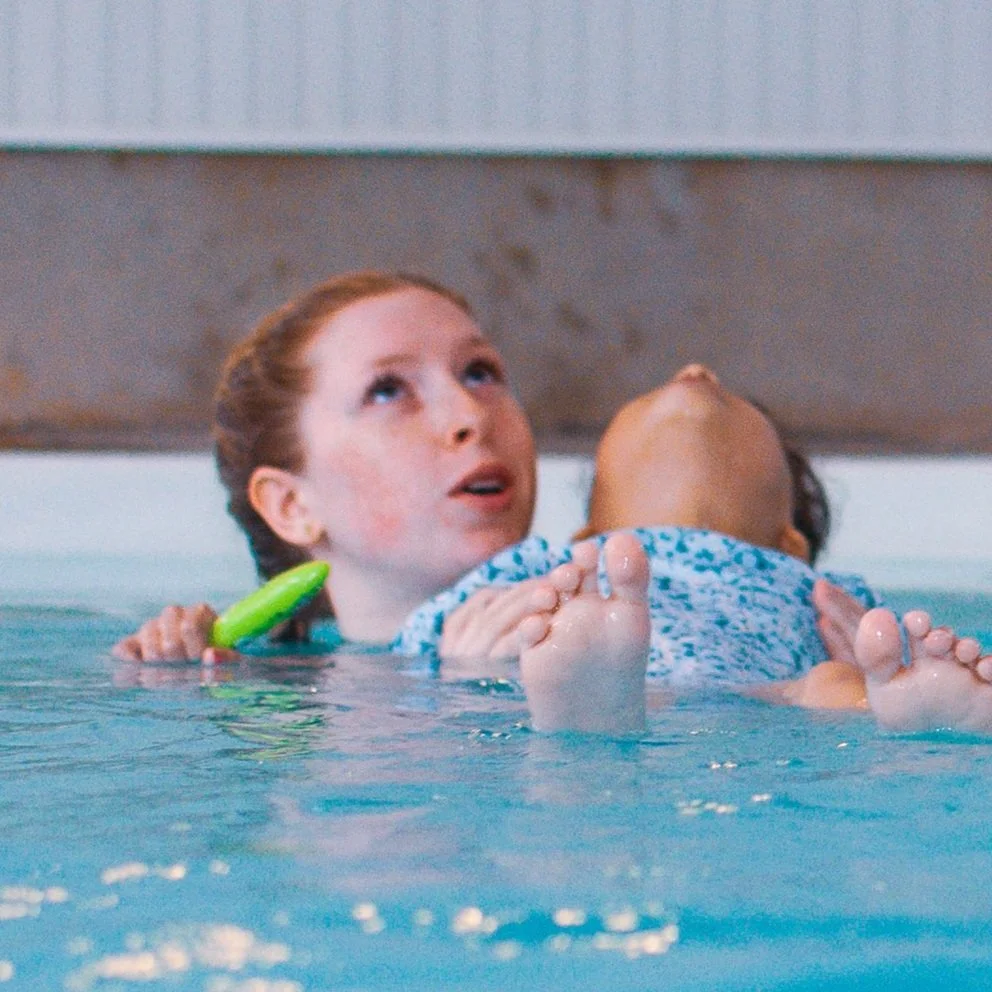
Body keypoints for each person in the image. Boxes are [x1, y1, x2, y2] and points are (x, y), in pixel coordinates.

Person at [112, 271, 992, 734]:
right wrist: (174, 672)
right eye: (390, 390)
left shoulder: (590, 594)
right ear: (293, 506)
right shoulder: (269, 677)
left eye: (482, 372)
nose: (470, 415)